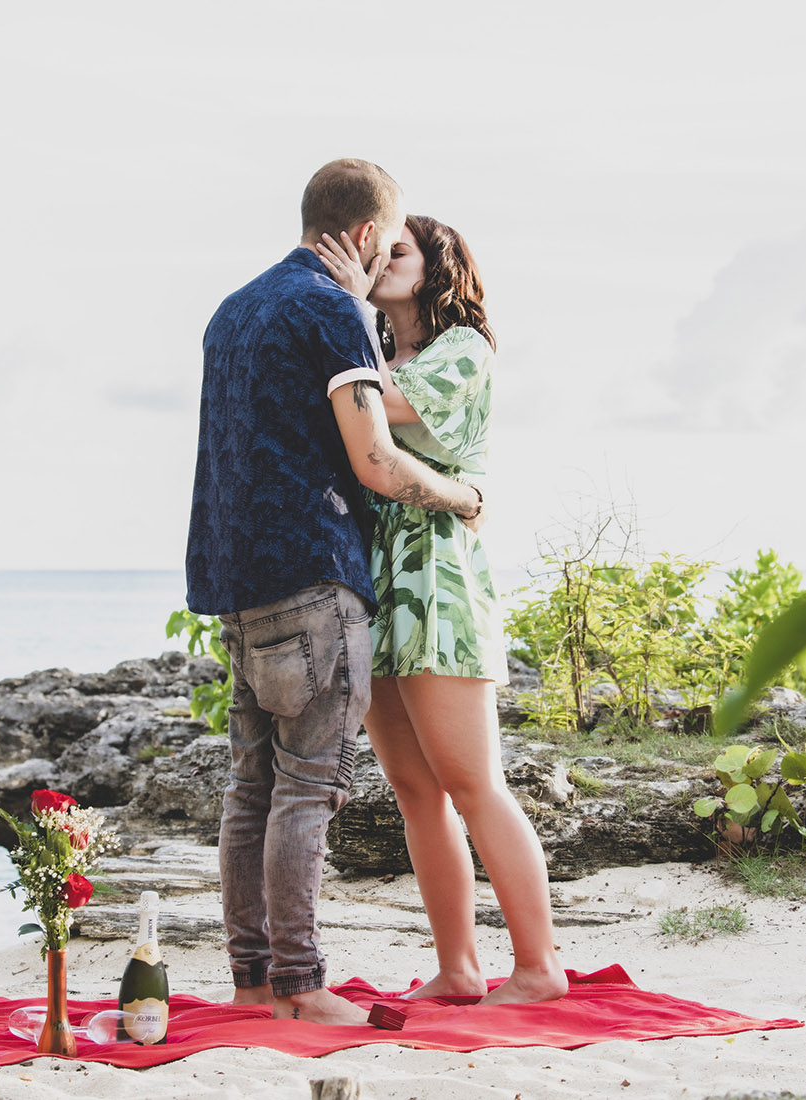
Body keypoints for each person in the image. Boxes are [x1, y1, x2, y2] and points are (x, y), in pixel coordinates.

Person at [185, 159, 486, 1027]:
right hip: (313, 577)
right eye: (388, 243)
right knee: (309, 789)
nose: (389, 257)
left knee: (251, 788)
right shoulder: (330, 311)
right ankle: (301, 985)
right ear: (362, 236)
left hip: (233, 580)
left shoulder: (233, 308)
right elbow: (375, 462)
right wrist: (462, 497)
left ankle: (250, 981)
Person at [314, 217, 568, 1005]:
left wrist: (348, 307)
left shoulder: (462, 348)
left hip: (435, 576)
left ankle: (538, 968)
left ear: (436, 267)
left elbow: (375, 406)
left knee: (472, 781)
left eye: (398, 251)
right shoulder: (381, 354)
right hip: (378, 580)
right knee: (413, 789)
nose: (380, 261)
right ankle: (459, 969)